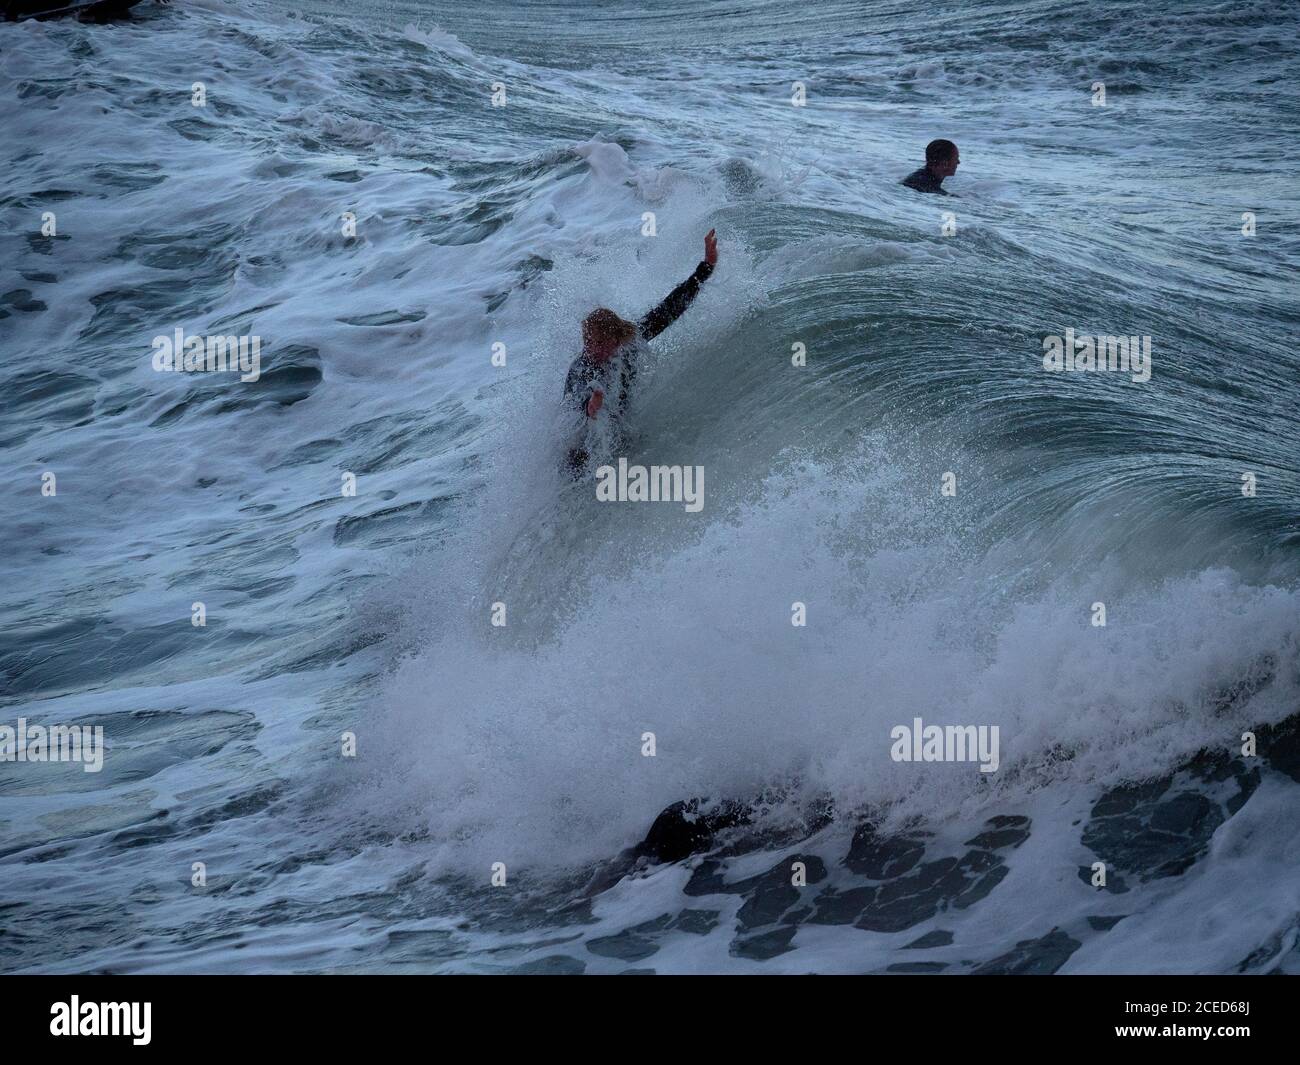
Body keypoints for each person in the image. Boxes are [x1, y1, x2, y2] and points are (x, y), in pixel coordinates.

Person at [563, 229, 718, 470]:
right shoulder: (582, 368)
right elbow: (575, 409)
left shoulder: (630, 341)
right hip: (579, 439)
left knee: (626, 442)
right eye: (589, 343)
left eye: (601, 344)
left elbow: (670, 309)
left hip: (618, 425)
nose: (593, 350)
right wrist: (590, 407)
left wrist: (705, 268)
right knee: (577, 460)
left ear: (616, 340)